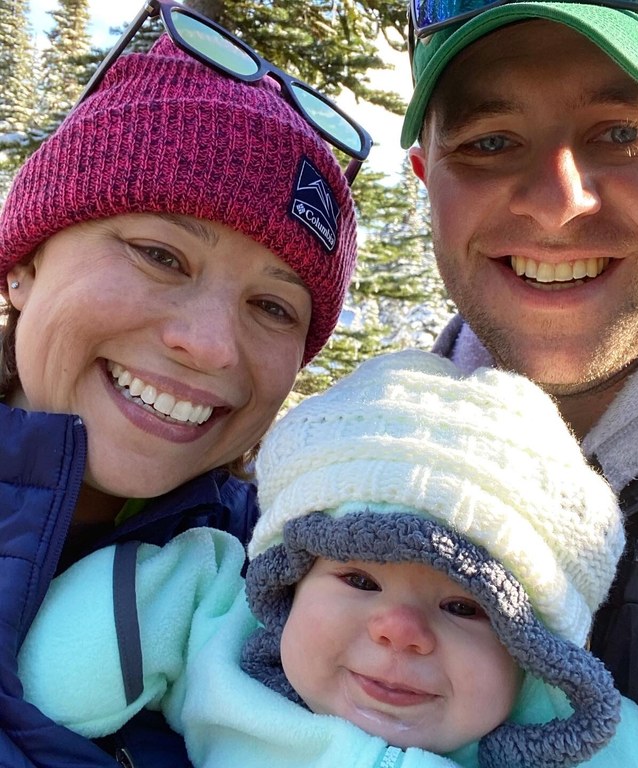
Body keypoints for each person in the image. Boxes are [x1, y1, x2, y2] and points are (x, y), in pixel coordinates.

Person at [400, 2, 638, 767]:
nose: (558, 201)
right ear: (426, 182)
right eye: (490, 142)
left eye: (624, 133)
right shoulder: (361, 476)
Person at [0, 0, 366, 763]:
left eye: (271, 306)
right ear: (25, 267)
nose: (208, 347)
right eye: (160, 255)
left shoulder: (295, 586)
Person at [18, 349, 638, 768]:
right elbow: (109, 634)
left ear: (533, 658)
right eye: (358, 578)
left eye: (464, 606)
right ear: (288, 583)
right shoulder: (223, 645)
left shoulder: (568, 747)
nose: (400, 630)